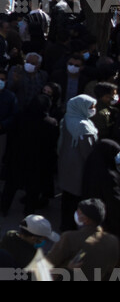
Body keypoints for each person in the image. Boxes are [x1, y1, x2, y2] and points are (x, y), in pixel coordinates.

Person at [46, 198, 120, 281]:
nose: (76, 214)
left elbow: (49, 263)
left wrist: (67, 268)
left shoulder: (69, 238)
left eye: (78, 212)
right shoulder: (113, 241)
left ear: (86, 219)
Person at [58, 95, 99, 232]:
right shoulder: (83, 126)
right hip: (79, 168)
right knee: (75, 199)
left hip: (66, 164)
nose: (93, 109)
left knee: (67, 197)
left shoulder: (68, 118)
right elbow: (87, 151)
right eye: (91, 107)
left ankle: (65, 225)